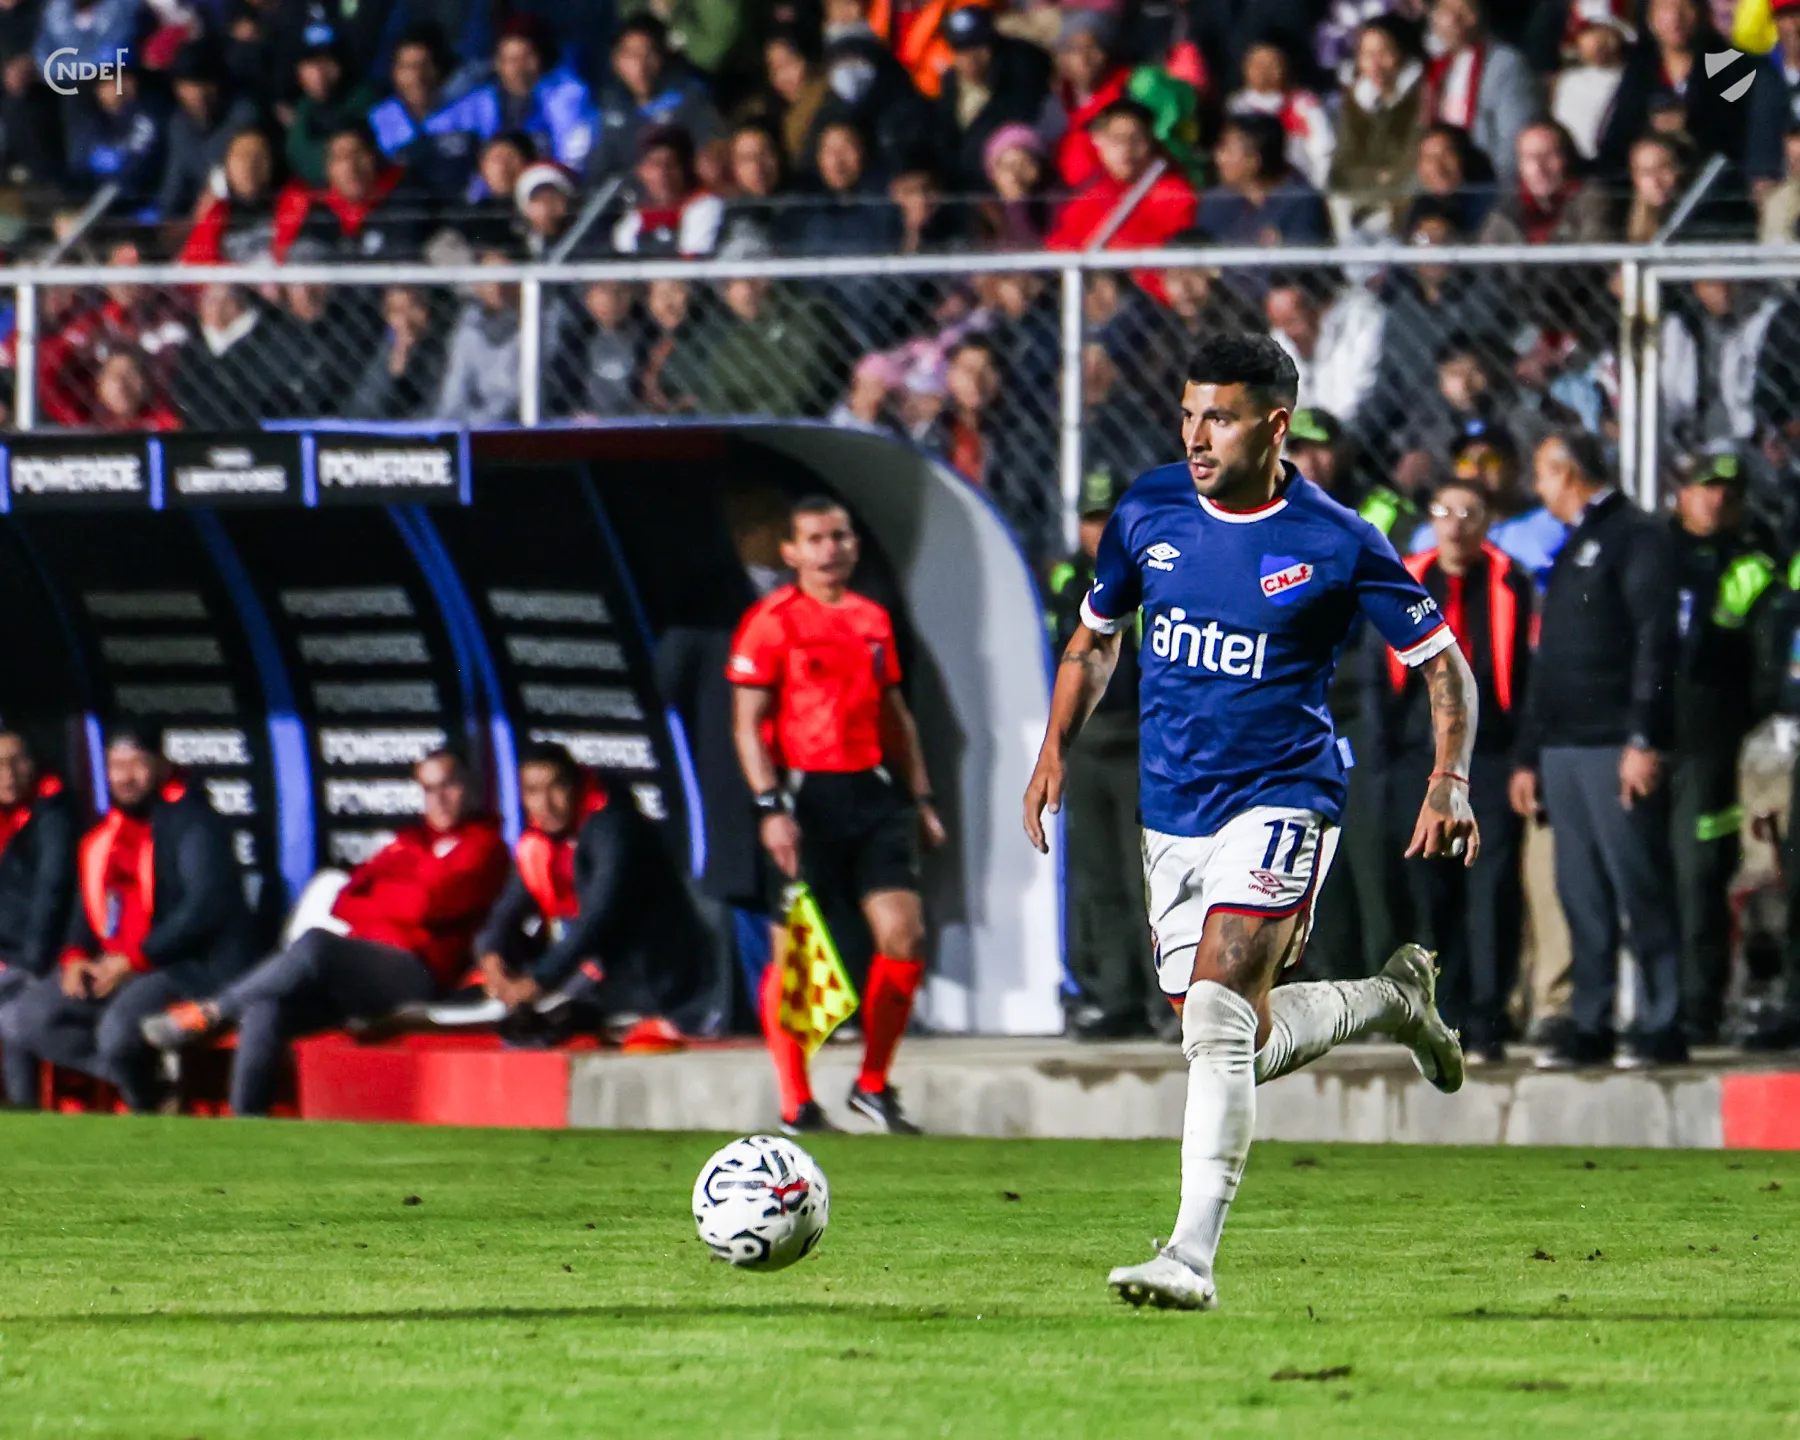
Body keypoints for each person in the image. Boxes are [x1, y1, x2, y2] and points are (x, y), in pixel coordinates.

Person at [1024, 333, 1478, 1311]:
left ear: (1275, 427)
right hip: (1173, 810)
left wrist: (1450, 776)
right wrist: (1055, 744)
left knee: (1219, 1009)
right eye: (1188, 415)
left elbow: (1443, 664)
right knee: (1227, 1035)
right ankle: (1390, 1002)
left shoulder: (1337, 540)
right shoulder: (1147, 510)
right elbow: (1096, 641)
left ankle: (1188, 1257)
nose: (1195, 437)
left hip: (1284, 792)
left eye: (1218, 419)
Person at [728, 497, 947, 1135]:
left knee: (904, 935)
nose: (831, 549)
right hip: (804, 798)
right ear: (791, 552)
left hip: (871, 793)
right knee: (794, 953)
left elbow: (894, 715)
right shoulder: (771, 622)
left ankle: (873, 1083)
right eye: (817, 539)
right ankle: (796, 1100)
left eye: (841, 536)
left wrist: (921, 799)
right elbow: (746, 724)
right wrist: (770, 806)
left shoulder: (871, 619)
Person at [140, 750, 509, 1116]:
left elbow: (427, 905)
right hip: (359, 968)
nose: (439, 799)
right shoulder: (409, 842)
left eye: (449, 786)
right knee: (267, 1008)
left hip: (416, 972)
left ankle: (212, 1012)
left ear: (471, 788)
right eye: (428, 789)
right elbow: (346, 898)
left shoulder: (485, 847)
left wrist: (387, 898)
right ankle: (246, 1126)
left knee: (317, 945)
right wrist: (399, 900)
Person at [1510, 430, 1685, 1070]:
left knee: (1639, 883)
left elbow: (1655, 644)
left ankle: (1662, 1020)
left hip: (1614, 744)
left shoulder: (1636, 536)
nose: (1537, 488)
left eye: (1542, 473)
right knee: (1579, 891)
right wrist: (1530, 753)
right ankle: (1591, 1020)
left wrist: (1644, 737)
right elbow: (1549, 659)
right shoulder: (1574, 544)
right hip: (1564, 746)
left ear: (1566, 472)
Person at [0, 723, 254, 1112]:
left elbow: (203, 909)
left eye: (137, 764)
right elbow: (86, 905)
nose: (125, 777)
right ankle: (150, 1089)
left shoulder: (194, 823)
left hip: (180, 965)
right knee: (26, 1019)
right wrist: (74, 954)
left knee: (117, 1032)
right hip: (113, 964)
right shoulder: (105, 832)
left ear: (162, 766)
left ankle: (144, 1105)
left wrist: (134, 959)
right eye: (116, 766)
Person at [1369, 475, 1533, 1062]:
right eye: (1445, 511)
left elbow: (1525, 674)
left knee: (1490, 890)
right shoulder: (1407, 578)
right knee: (1428, 891)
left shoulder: (1509, 580)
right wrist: (1386, 764)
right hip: (1418, 757)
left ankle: (1489, 1017)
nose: (1456, 525)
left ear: (1487, 521)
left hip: (1487, 756)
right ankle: (1443, 1013)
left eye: (1469, 512)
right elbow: (1377, 677)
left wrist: (1522, 757)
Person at [470, 744, 706, 1034]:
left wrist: (539, 980)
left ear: (576, 786)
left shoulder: (613, 828)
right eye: (532, 791)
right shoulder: (538, 842)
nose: (546, 804)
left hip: (647, 974)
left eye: (556, 787)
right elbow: (506, 909)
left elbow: (598, 915)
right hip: (586, 967)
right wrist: (491, 956)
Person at [1665, 452, 1778, 1044]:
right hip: (1646, 736)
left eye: (1729, 494)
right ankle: (1651, 1002)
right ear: (1683, 494)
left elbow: (1762, 664)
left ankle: (1698, 1006)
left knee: (1701, 873)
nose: (1717, 501)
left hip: (1710, 744)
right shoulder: (1654, 552)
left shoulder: (1752, 565)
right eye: (1707, 488)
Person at [1046, 467, 1162, 1041]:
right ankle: (1118, 997)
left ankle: (1165, 1001)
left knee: (1150, 877)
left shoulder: (1157, 572)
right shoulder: (1069, 579)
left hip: (1144, 742)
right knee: (1099, 876)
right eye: (1092, 520)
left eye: (1110, 518)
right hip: (1091, 742)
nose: (1101, 531)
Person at [0, 732, 78, 1104]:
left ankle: (23, 1110)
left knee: (12, 1018)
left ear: (32, 765)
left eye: (16, 761)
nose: (8, 773)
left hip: (36, 956)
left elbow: (52, 891)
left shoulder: (53, 816)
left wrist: (31, 962)